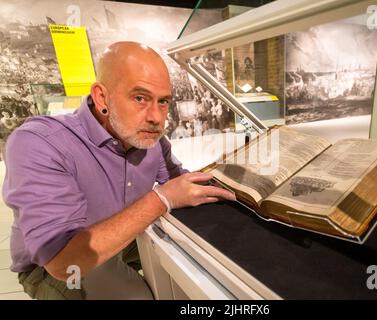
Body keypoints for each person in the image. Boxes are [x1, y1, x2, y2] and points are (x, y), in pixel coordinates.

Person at [2, 41, 235, 300]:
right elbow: (63, 262)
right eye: (140, 98)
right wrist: (161, 198)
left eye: (163, 102)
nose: (157, 117)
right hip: (54, 264)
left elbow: (180, 182)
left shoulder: (151, 140)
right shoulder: (40, 142)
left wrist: (238, 179)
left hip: (129, 238)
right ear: (102, 97)